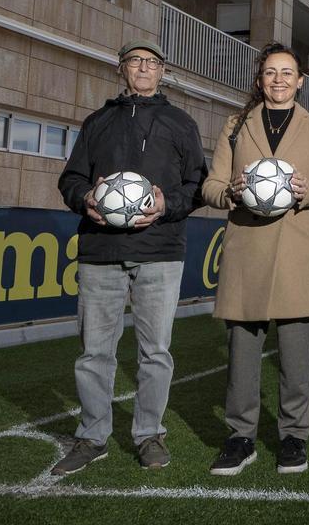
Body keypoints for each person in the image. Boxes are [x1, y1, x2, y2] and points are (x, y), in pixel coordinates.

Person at [53, 40, 206, 474]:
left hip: (159, 250)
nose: (143, 68)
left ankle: (149, 434)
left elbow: (197, 184)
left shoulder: (181, 122)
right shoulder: (97, 121)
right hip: (100, 251)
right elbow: (71, 178)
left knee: (155, 352)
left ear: (163, 71)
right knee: (94, 353)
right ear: (121, 68)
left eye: (152, 62)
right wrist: (85, 198)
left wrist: (166, 206)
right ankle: (91, 437)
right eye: (135, 61)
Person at [201, 43, 309, 475]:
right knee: (242, 356)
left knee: (296, 358)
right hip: (247, 248)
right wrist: (231, 190)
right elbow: (211, 186)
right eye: (270, 72)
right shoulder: (235, 125)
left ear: (301, 80)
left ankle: (292, 439)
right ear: (259, 78)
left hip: (298, 252)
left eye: (287, 73)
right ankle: (240, 436)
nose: (279, 80)